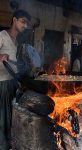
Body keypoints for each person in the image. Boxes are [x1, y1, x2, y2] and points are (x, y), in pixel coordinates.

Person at [0, 10, 31, 150]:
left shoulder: (17, 42)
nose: (25, 25)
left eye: (26, 23)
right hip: (2, 83)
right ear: (14, 20)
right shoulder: (2, 36)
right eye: (23, 21)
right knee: (3, 118)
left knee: (13, 116)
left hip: (13, 82)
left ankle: (10, 144)